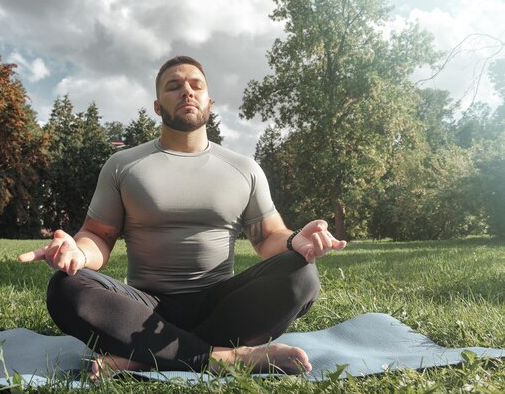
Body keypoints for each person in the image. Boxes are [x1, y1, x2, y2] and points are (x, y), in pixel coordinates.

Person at [18, 56, 347, 378]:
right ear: (158, 105)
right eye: (173, 86)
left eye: (196, 85)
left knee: (302, 275)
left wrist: (294, 241)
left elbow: (267, 237)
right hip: (143, 308)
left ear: (209, 100)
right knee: (66, 288)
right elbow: (99, 236)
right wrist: (79, 251)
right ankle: (223, 358)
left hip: (222, 306)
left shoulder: (244, 168)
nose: (186, 92)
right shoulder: (123, 165)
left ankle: (148, 358)